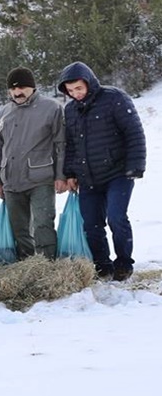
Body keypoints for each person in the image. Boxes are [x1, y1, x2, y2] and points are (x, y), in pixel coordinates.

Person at [57, 61, 146, 281]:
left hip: (118, 173)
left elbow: (134, 132)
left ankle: (123, 264)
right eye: (70, 91)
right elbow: (71, 145)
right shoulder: (70, 110)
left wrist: (135, 166)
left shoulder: (114, 98)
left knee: (116, 217)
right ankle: (102, 265)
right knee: (91, 225)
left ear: (89, 82)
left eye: (79, 88)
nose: (75, 94)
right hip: (88, 177)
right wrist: (70, 173)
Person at [0, 67, 67, 261]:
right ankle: (26, 265)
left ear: (32, 87)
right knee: (19, 229)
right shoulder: (4, 113)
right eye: (13, 89)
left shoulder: (52, 108)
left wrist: (61, 176)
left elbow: (61, 144)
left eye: (22, 87)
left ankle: (47, 264)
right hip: (11, 180)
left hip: (41, 179)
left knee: (43, 224)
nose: (18, 92)